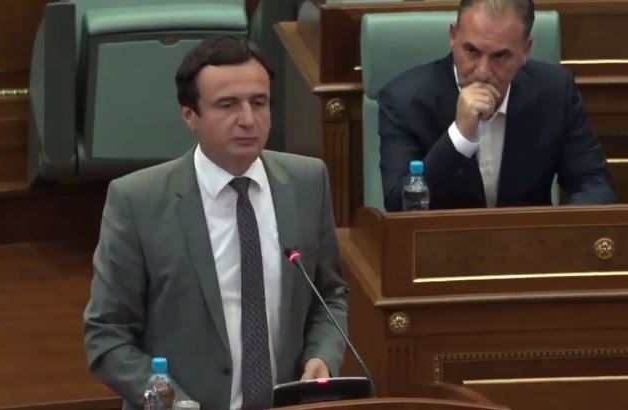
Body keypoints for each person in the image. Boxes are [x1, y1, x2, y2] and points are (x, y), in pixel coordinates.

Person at [83, 36, 348, 410]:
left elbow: (329, 295)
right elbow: (106, 334)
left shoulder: (307, 182)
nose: (248, 119)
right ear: (190, 115)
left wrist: (322, 356)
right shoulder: (137, 201)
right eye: (228, 105)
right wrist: (170, 401)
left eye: (259, 102)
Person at [378, 0, 615, 211]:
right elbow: (398, 205)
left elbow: (593, 183)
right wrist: (459, 137)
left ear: (525, 51)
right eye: (471, 50)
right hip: (439, 244)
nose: (482, 72)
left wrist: (563, 235)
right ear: (452, 36)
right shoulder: (405, 100)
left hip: (529, 244)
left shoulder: (555, 92)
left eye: (500, 56)